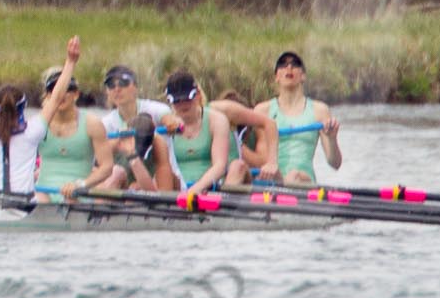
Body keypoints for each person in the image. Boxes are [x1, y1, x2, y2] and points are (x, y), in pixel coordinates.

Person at [215, 50, 342, 185]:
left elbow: (335, 164)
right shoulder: (262, 110)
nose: (289, 68)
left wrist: (332, 138)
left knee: (294, 175)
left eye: (295, 64)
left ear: (303, 76)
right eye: (283, 64)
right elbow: (259, 158)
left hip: (304, 179)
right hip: (273, 177)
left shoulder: (319, 110)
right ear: (276, 76)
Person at [32, 37, 124, 204]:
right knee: (40, 202)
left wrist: (81, 184)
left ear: (76, 94)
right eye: (54, 91)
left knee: (71, 201)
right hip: (42, 193)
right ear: (47, 96)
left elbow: (106, 167)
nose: (61, 95)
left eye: (68, 90)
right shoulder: (37, 124)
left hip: (78, 195)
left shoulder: (92, 124)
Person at [96, 63, 177, 194]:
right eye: (111, 85)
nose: (117, 89)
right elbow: (99, 160)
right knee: (116, 173)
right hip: (126, 179)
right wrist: (117, 144)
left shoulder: (156, 109)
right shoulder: (105, 124)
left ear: (135, 87)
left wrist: (172, 124)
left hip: (163, 177)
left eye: (123, 83)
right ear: (107, 91)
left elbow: (168, 118)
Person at [163, 69, 234, 197]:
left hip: (211, 188)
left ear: (197, 95)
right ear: (170, 101)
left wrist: (194, 190)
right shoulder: (165, 125)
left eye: (187, 99)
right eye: (177, 101)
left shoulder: (217, 120)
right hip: (176, 188)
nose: (182, 104)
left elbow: (219, 165)